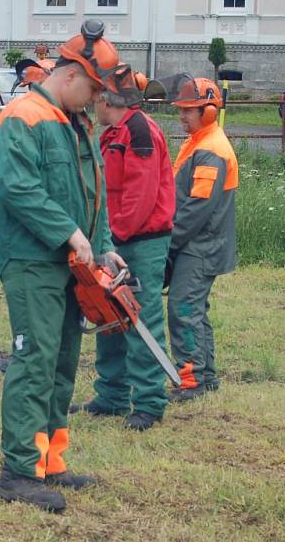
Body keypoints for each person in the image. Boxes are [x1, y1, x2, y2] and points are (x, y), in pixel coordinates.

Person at [0, 21, 125, 512]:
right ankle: (19, 471)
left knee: (63, 360)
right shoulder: (22, 116)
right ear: (69, 74)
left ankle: (50, 460)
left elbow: (93, 191)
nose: (93, 99)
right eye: (92, 88)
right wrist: (69, 233)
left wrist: (103, 244)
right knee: (35, 360)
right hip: (31, 261)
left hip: (73, 264)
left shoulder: (75, 123)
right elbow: (15, 186)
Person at [72, 65, 175, 430]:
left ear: (105, 99)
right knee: (108, 316)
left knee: (141, 319)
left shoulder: (139, 131)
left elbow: (140, 197)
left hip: (140, 242)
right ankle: (113, 395)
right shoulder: (110, 133)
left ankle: (149, 401)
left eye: (94, 97)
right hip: (116, 239)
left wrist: (111, 239)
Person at [166, 77, 238, 401]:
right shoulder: (199, 139)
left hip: (200, 246)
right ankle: (206, 376)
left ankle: (191, 380)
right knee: (195, 309)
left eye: (189, 111)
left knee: (183, 308)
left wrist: (171, 242)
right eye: (181, 111)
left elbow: (197, 208)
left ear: (208, 112)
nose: (182, 117)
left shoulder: (210, 149)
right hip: (200, 244)